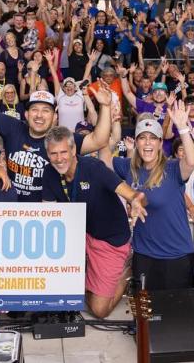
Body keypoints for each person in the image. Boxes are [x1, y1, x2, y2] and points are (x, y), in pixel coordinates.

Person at [0, 56, 111, 201]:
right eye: (35, 110)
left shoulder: (61, 139)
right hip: (10, 206)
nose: (39, 115)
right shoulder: (13, 127)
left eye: (45, 111)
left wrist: (106, 106)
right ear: (26, 114)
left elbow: (99, 140)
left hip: (47, 212)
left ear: (55, 117)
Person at [43, 125, 147, 318]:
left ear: (74, 150)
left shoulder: (94, 168)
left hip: (109, 240)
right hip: (80, 236)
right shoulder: (49, 173)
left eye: (64, 152)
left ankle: (127, 270)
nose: (59, 159)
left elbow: (130, 193)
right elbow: (48, 213)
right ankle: (90, 276)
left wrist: (135, 201)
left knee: (99, 310)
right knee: (65, 296)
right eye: (54, 154)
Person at [105, 106, 194, 292]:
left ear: (160, 142)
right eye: (142, 137)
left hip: (176, 255)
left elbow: (192, 161)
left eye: (152, 138)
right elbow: (104, 160)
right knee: (147, 314)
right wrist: (111, 124)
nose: (147, 143)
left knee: (176, 312)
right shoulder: (128, 168)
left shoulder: (172, 169)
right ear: (137, 143)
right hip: (144, 255)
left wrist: (183, 128)